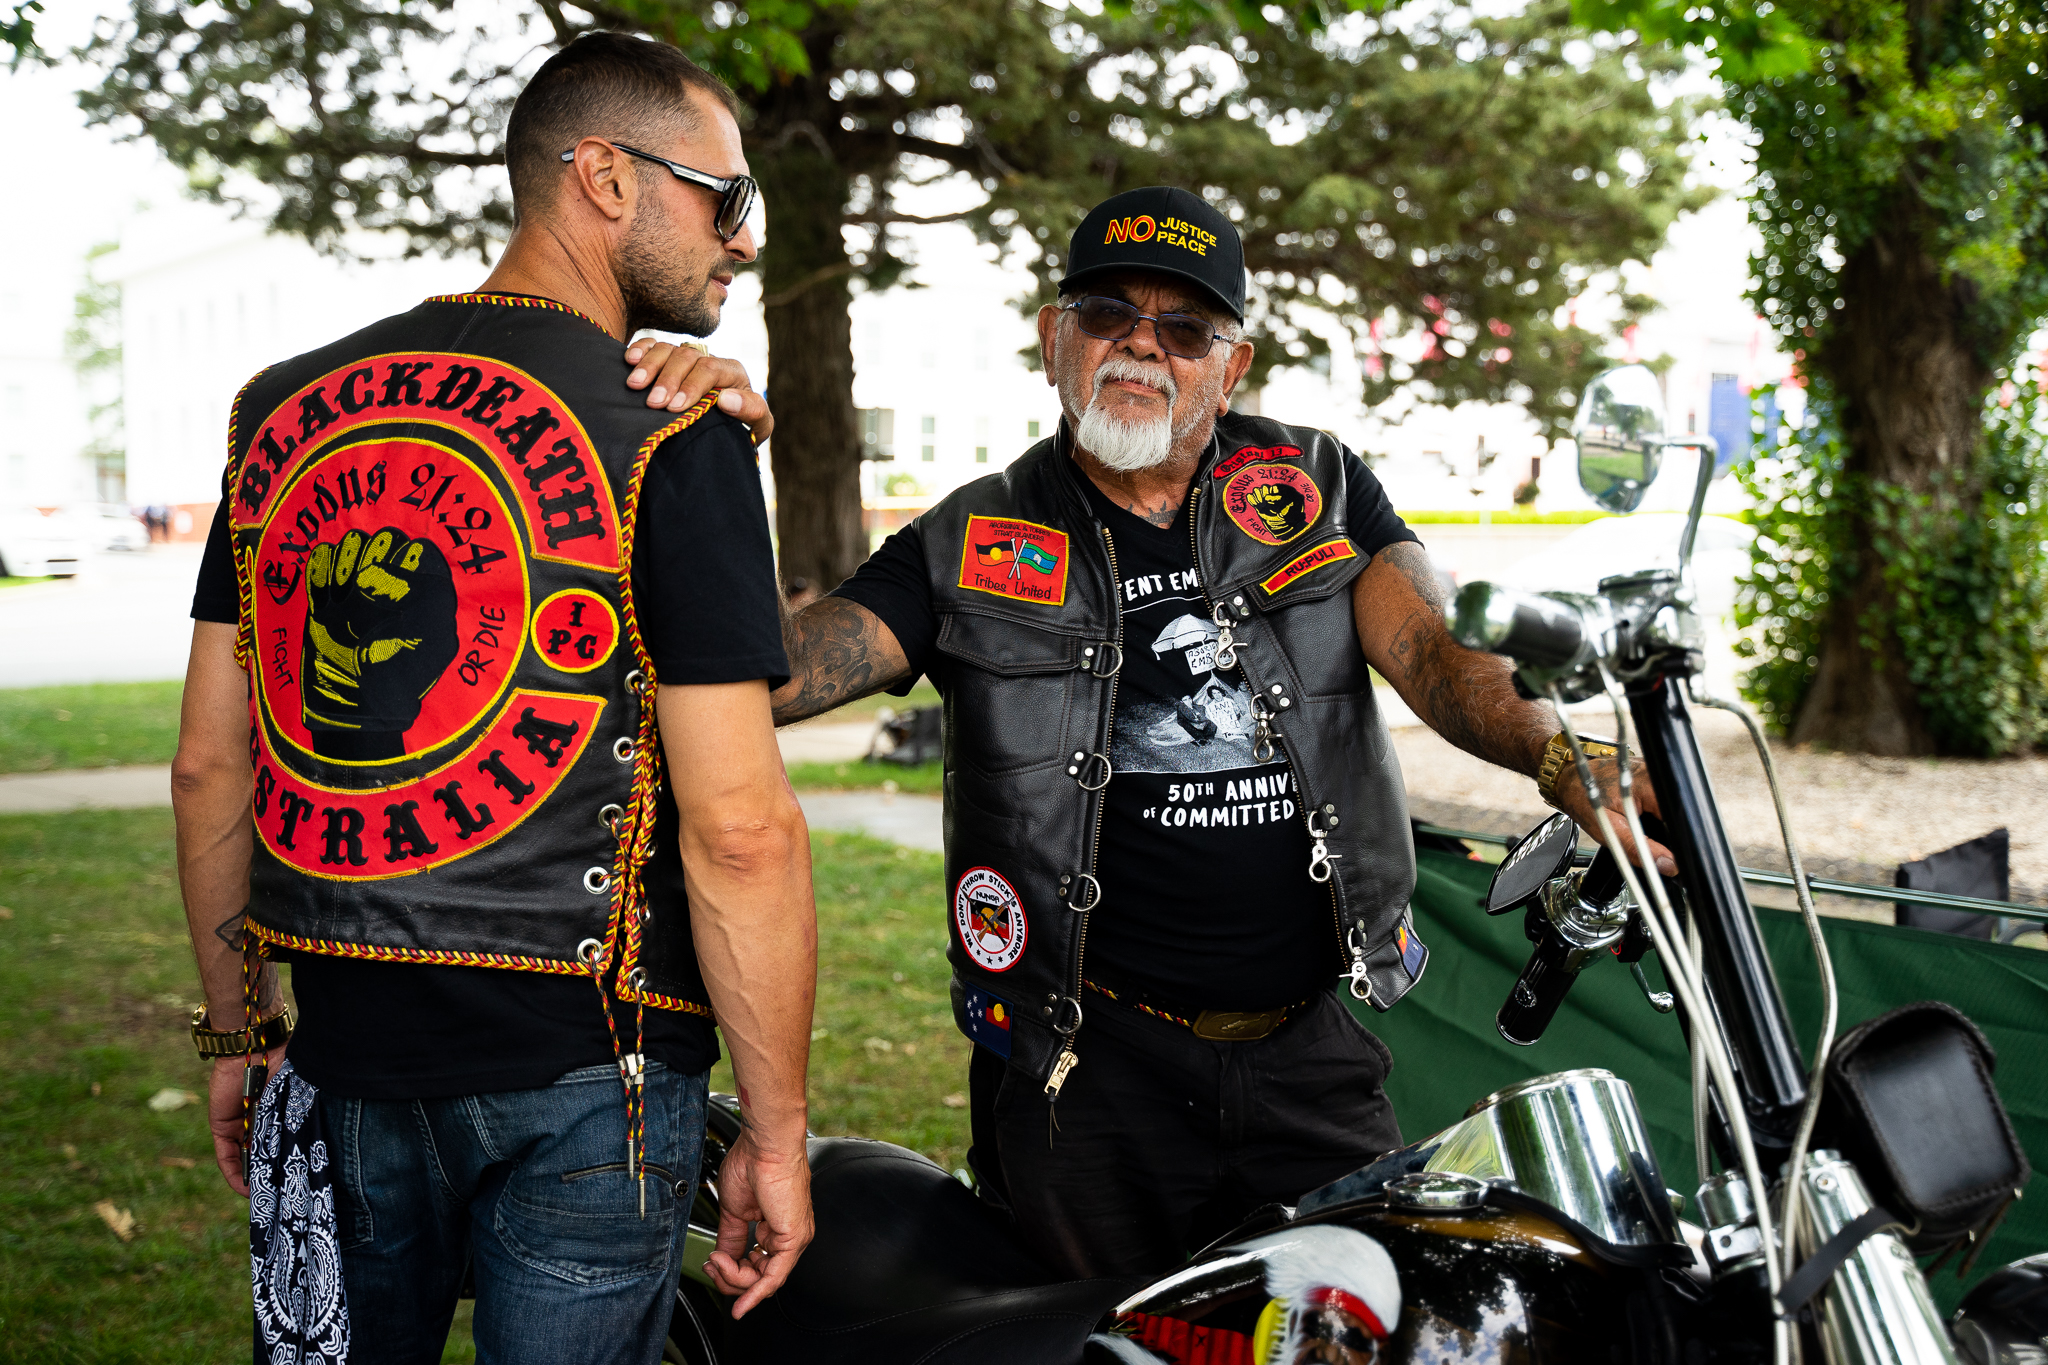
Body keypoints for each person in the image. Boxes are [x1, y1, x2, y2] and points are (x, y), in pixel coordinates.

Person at [635, 185, 1673, 1281]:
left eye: (1184, 329)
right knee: (1089, 1344)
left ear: (1232, 368)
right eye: (1104, 315)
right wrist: (704, 468)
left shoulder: (1314, 487)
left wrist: (1567, 758)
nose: (1141, 346)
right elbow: (774, 671)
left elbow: (1433, 653)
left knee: (1351, 1330)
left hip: (1306, 1056)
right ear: (1052, 340)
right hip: (1083, 1071)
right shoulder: (967, 537)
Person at [172, 32, 816, 1364]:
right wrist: (778, 1127)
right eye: (725, 197)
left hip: (342, 1052)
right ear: (603, 176)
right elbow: (742, 829)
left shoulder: (284, 412)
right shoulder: (667, 434)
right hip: (598, 1073)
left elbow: (208, 767)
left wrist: (235, 1027)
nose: (743, 240)